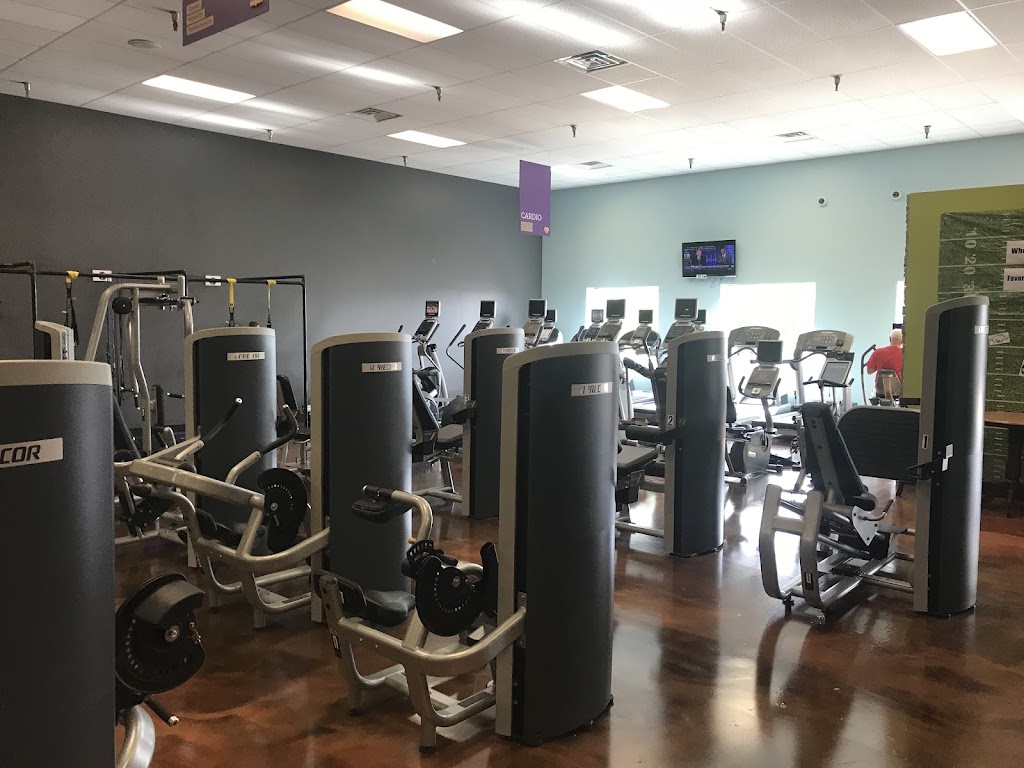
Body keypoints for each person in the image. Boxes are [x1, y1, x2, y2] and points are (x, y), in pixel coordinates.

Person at [866, 328, 903, 397]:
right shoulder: (905, 354)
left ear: (890, 339)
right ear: (902, 341)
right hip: (899, 392)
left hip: (880, 392)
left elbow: (869, 371)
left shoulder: (878, 352)